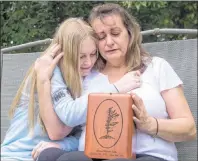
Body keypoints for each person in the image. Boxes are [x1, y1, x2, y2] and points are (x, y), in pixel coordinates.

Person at [36, 3, 196, 161]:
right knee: (51, 156)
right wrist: (43, 78)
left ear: (129, 33)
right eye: (101, 37)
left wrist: (151, 124)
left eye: (115, 33)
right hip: (93, 155)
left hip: (150, 156)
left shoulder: (156, 67)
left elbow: (189, 128)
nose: (109, 42)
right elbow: (64, 125)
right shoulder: (86, 74)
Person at [1, 17, 141, 161]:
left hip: (49, 155)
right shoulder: (50, 71)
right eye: (80, 57)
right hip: (16, 156)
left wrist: (64, 145)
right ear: (65, 53)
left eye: (93, 54)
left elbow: (83, 136)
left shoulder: (87, 77)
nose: (88, 62)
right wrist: (116, 89)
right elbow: (61, 127)